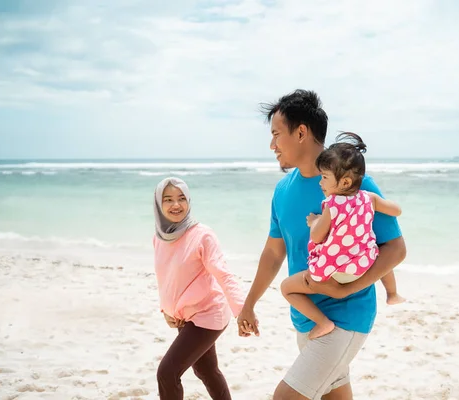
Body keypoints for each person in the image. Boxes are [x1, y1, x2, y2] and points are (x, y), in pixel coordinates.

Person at [237, 89, 407, 400]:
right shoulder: (282, 190)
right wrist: (249, 303)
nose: (272, 145)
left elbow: (395, 249)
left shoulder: (353, 185)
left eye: (276, 134)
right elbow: (274, 252)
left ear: (301, 132)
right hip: (307, 320)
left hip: (346, 317)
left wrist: (348, 288)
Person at [280, 131, 405, 340]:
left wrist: (314, 222)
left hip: (336, 272)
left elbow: (318, 237)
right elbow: (396, 210)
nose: (321, 182)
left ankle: (323, 322)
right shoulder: (369, 198)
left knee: (287, 289)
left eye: (325, 177)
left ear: (345, 182)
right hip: (364, 266)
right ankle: (392, 294)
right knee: (376, 249)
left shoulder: (332, 204)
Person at [152, 177, 244, 400]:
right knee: (206, 370)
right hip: (185, 315)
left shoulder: (202, 235)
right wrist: (166, 311)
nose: (176, 205)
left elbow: (223, 274)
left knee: (167, 373)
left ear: (189, 201)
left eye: (181, 198)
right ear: (158, 204)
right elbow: (166, 278)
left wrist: (242, 311)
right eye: (168, 199)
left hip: (208, 314)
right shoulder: (160, 237)